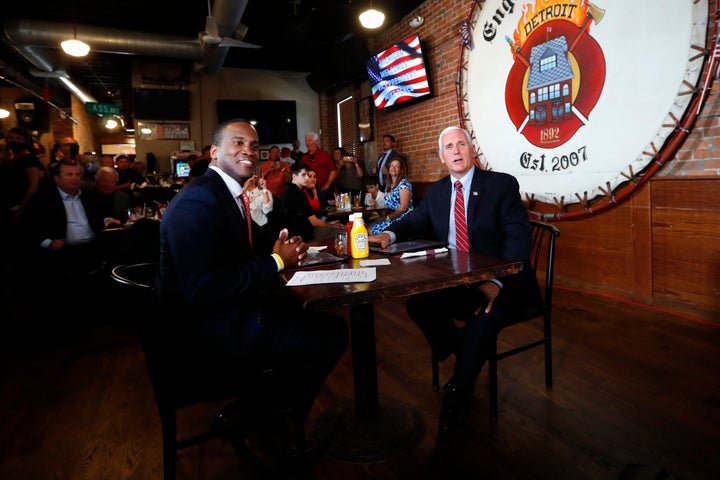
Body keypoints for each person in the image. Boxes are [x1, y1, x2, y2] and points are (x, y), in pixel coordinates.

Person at [157, 119, 348, 457]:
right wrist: (276, 263)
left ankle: (261, 416)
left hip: (228, 314)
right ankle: (264, 421)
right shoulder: (197, 200)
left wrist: (282, 250)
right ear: (214, 152)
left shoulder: (225, 196)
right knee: (329, 333)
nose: (248, 150)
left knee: (301, 313)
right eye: (237, 142)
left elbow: (244, 251)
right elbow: (203, 288)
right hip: (206, 333)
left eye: (254, 145)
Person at [368, 126, 543, 434]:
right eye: (449, 147)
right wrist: (388, 234)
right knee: (419, 304)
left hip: (506, 283)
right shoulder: (436, 192)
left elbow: (518, 242)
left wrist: (496, 284)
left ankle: (458, 392)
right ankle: (467, 354)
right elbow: (414, 220)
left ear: (471, 150)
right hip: (458, 281)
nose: (456, 150)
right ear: (442, 156)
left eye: (461, 144)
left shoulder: (500, 185)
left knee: (485, 319)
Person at [0, 126, 45, 284]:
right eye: (11, 138)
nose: (13, 141)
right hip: (7, 207)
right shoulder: (9, 159)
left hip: (20, 208)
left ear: (25, 141)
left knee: (20, 249)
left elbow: (33, 186)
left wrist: (20, 210)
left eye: (18, 139)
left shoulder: (29, 159)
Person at [281, 162, 344, 241]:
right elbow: (314, 222)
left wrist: (328, 224)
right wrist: (332, 226)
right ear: (294, 176)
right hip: (306, 235)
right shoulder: (299, 193)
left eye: (307, 175)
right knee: (343, 231)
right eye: (303, 175)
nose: (307, 178)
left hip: (297, 232)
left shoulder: (289, 191)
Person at [369, 157, 413, 235]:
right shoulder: (389, 185)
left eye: (397, 166)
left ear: (401, 170)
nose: (393, 168)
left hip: (403, 218)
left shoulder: (404, 184)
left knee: (374, 230)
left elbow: (403, 208)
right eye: (392, 166)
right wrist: (382, 217)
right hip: (392, 217)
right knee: (369, 226)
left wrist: (387, 218)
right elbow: (387, 206)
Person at [300, 132, 336, 208]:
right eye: (306, 141)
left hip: (323, 188)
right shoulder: (304, 157)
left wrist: (327, 185)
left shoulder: (324, 154)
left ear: (316, 141)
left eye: (309, 141)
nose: (307, 143)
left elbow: (332, 171)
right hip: (309, 189)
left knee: (322, 196)